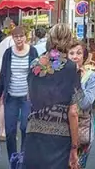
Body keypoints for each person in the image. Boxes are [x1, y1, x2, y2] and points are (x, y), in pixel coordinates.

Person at [23, 24, 81, 169]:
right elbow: (73, 111)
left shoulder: (34, 65)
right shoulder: (71, 68)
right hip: (59, 136)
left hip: (34, 130)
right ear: (68, 41)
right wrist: (74, 147)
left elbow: (29, 97)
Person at [0, 26, 36, 163]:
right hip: (11, 96)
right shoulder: (8, 53)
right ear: (13, 38)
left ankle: (23, 157)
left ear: (26, 37)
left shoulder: (33, 52)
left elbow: (37, 74)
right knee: (10, 131)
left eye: (21, 36)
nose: (19, 39)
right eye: (16, 37)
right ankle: (13, 159)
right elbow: (3, 76)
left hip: (26, 97)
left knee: (25, 127)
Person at [68, 40, 95, 169]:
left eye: (79, 53)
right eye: (71, 53)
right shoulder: (59, 75)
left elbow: (85, 103)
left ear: (84, 56)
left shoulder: (91, 77)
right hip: (62, 131)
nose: (75, 56)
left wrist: (76, 80)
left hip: (82, 131)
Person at [0, 23, 16, 141]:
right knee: (4, 102)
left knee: (0, 102)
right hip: (5, 73)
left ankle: (1, 130)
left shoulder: (3, 42)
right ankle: (4, 131)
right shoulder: (12, 43)